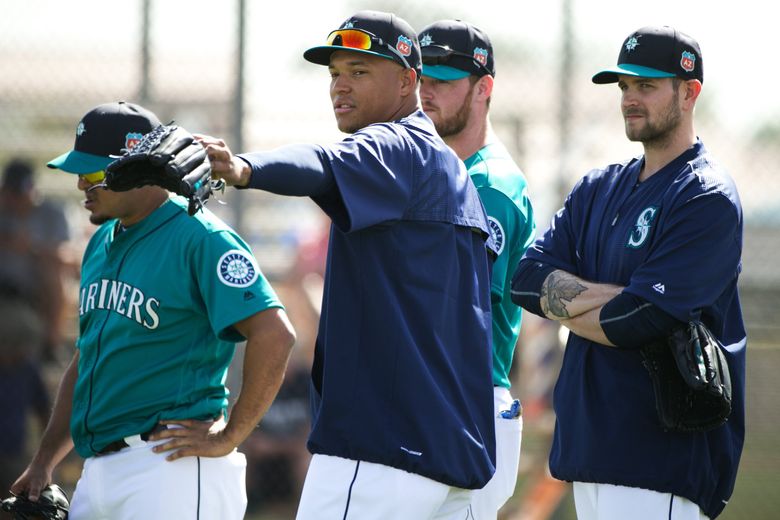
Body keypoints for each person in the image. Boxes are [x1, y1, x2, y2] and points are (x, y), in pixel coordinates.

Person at [199, 10, 497, 519]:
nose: (340, 85)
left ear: (408, 80)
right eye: (335, 72)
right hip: (452, 456)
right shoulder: (452, 171)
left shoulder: (395, 145)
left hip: (381, 453)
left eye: (360, 72)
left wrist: (246, 167)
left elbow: (320, 162)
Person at [10, 101, 296, 520]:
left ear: (139, 167)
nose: (80, 186)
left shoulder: (201, 237)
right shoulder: (100, 241)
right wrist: (44, 461)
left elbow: (276, 333)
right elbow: (89, 356)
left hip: (170, 467)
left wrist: (231, 434)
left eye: (92, 174)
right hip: (99, 469)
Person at [511, 26, 745, 519]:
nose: (629, 98)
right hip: (590, 451)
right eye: (624, 86)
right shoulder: (598, 187)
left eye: (646, 85)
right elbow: (526, 278)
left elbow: (635, 321)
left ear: (689, 91)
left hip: (661, 458)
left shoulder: (705, 196)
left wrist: (576, 306)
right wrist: (617, 298)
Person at [418, 19, 535, 519]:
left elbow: (448, 310)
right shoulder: (432, 168)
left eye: (442, 82)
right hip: (441, 398)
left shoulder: (489, 186)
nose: (426, 94)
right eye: (421, 80)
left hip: (466, 403)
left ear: (484, 88)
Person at [0, 158, 72, 363]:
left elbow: (69, 258)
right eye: (12, 194)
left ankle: (51, 345)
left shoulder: (52, 212)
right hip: (5, 288)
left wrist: (32, 248)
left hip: (37, 290)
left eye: (21, 193)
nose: (18, 200)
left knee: (54, 272)